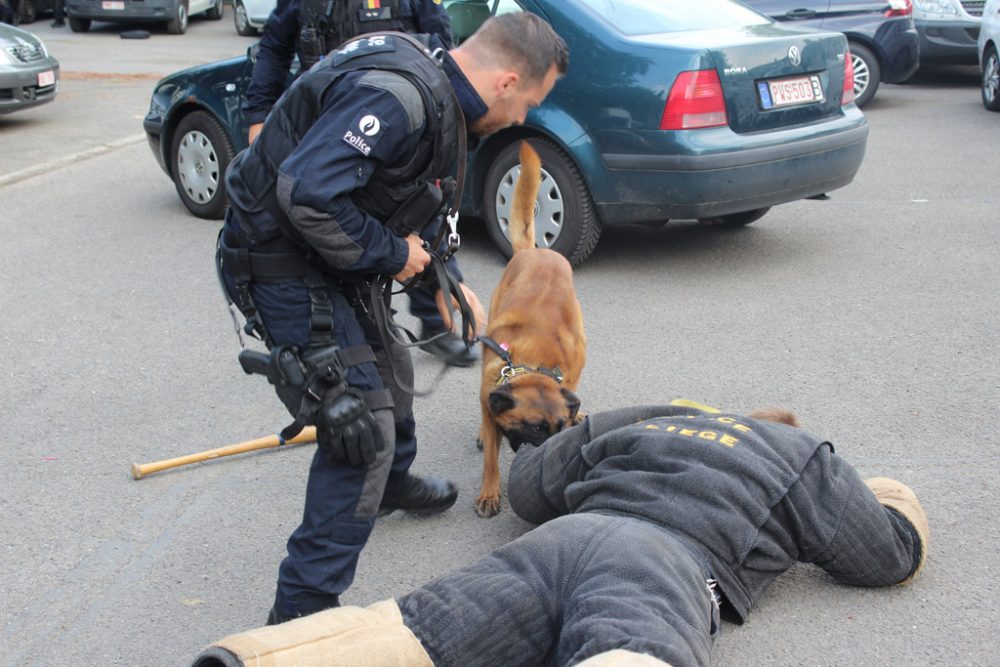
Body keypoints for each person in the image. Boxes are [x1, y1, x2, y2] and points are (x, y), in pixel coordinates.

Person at [216, 13, 569, 625]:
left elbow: (405, 198)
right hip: (279, 256)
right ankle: (298, 619)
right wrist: (396, 257)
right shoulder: (400, 98)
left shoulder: (440, 83)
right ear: (508, 81)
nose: (520, 121)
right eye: (528, 104)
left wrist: (442, 281)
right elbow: (306, 194)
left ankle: (389, 486)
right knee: (360, 429)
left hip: (326, 246)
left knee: (394, 371)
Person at [191, 400, 929, 666]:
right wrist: (887, 491)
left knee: (426, 625)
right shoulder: (797, 456)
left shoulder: (648, 414)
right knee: (632, 643)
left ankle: (256, 658)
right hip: (664, 561)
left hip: (562, 539)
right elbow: (887, 552)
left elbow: (529, 485)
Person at [244, 0, 474, 366]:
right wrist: (258, 113)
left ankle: (436, 316)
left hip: (401, 136)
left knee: (421, 220)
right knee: (332, 225)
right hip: (330, 134)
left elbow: (440, 49)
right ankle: (355, 322)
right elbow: (274, 47)